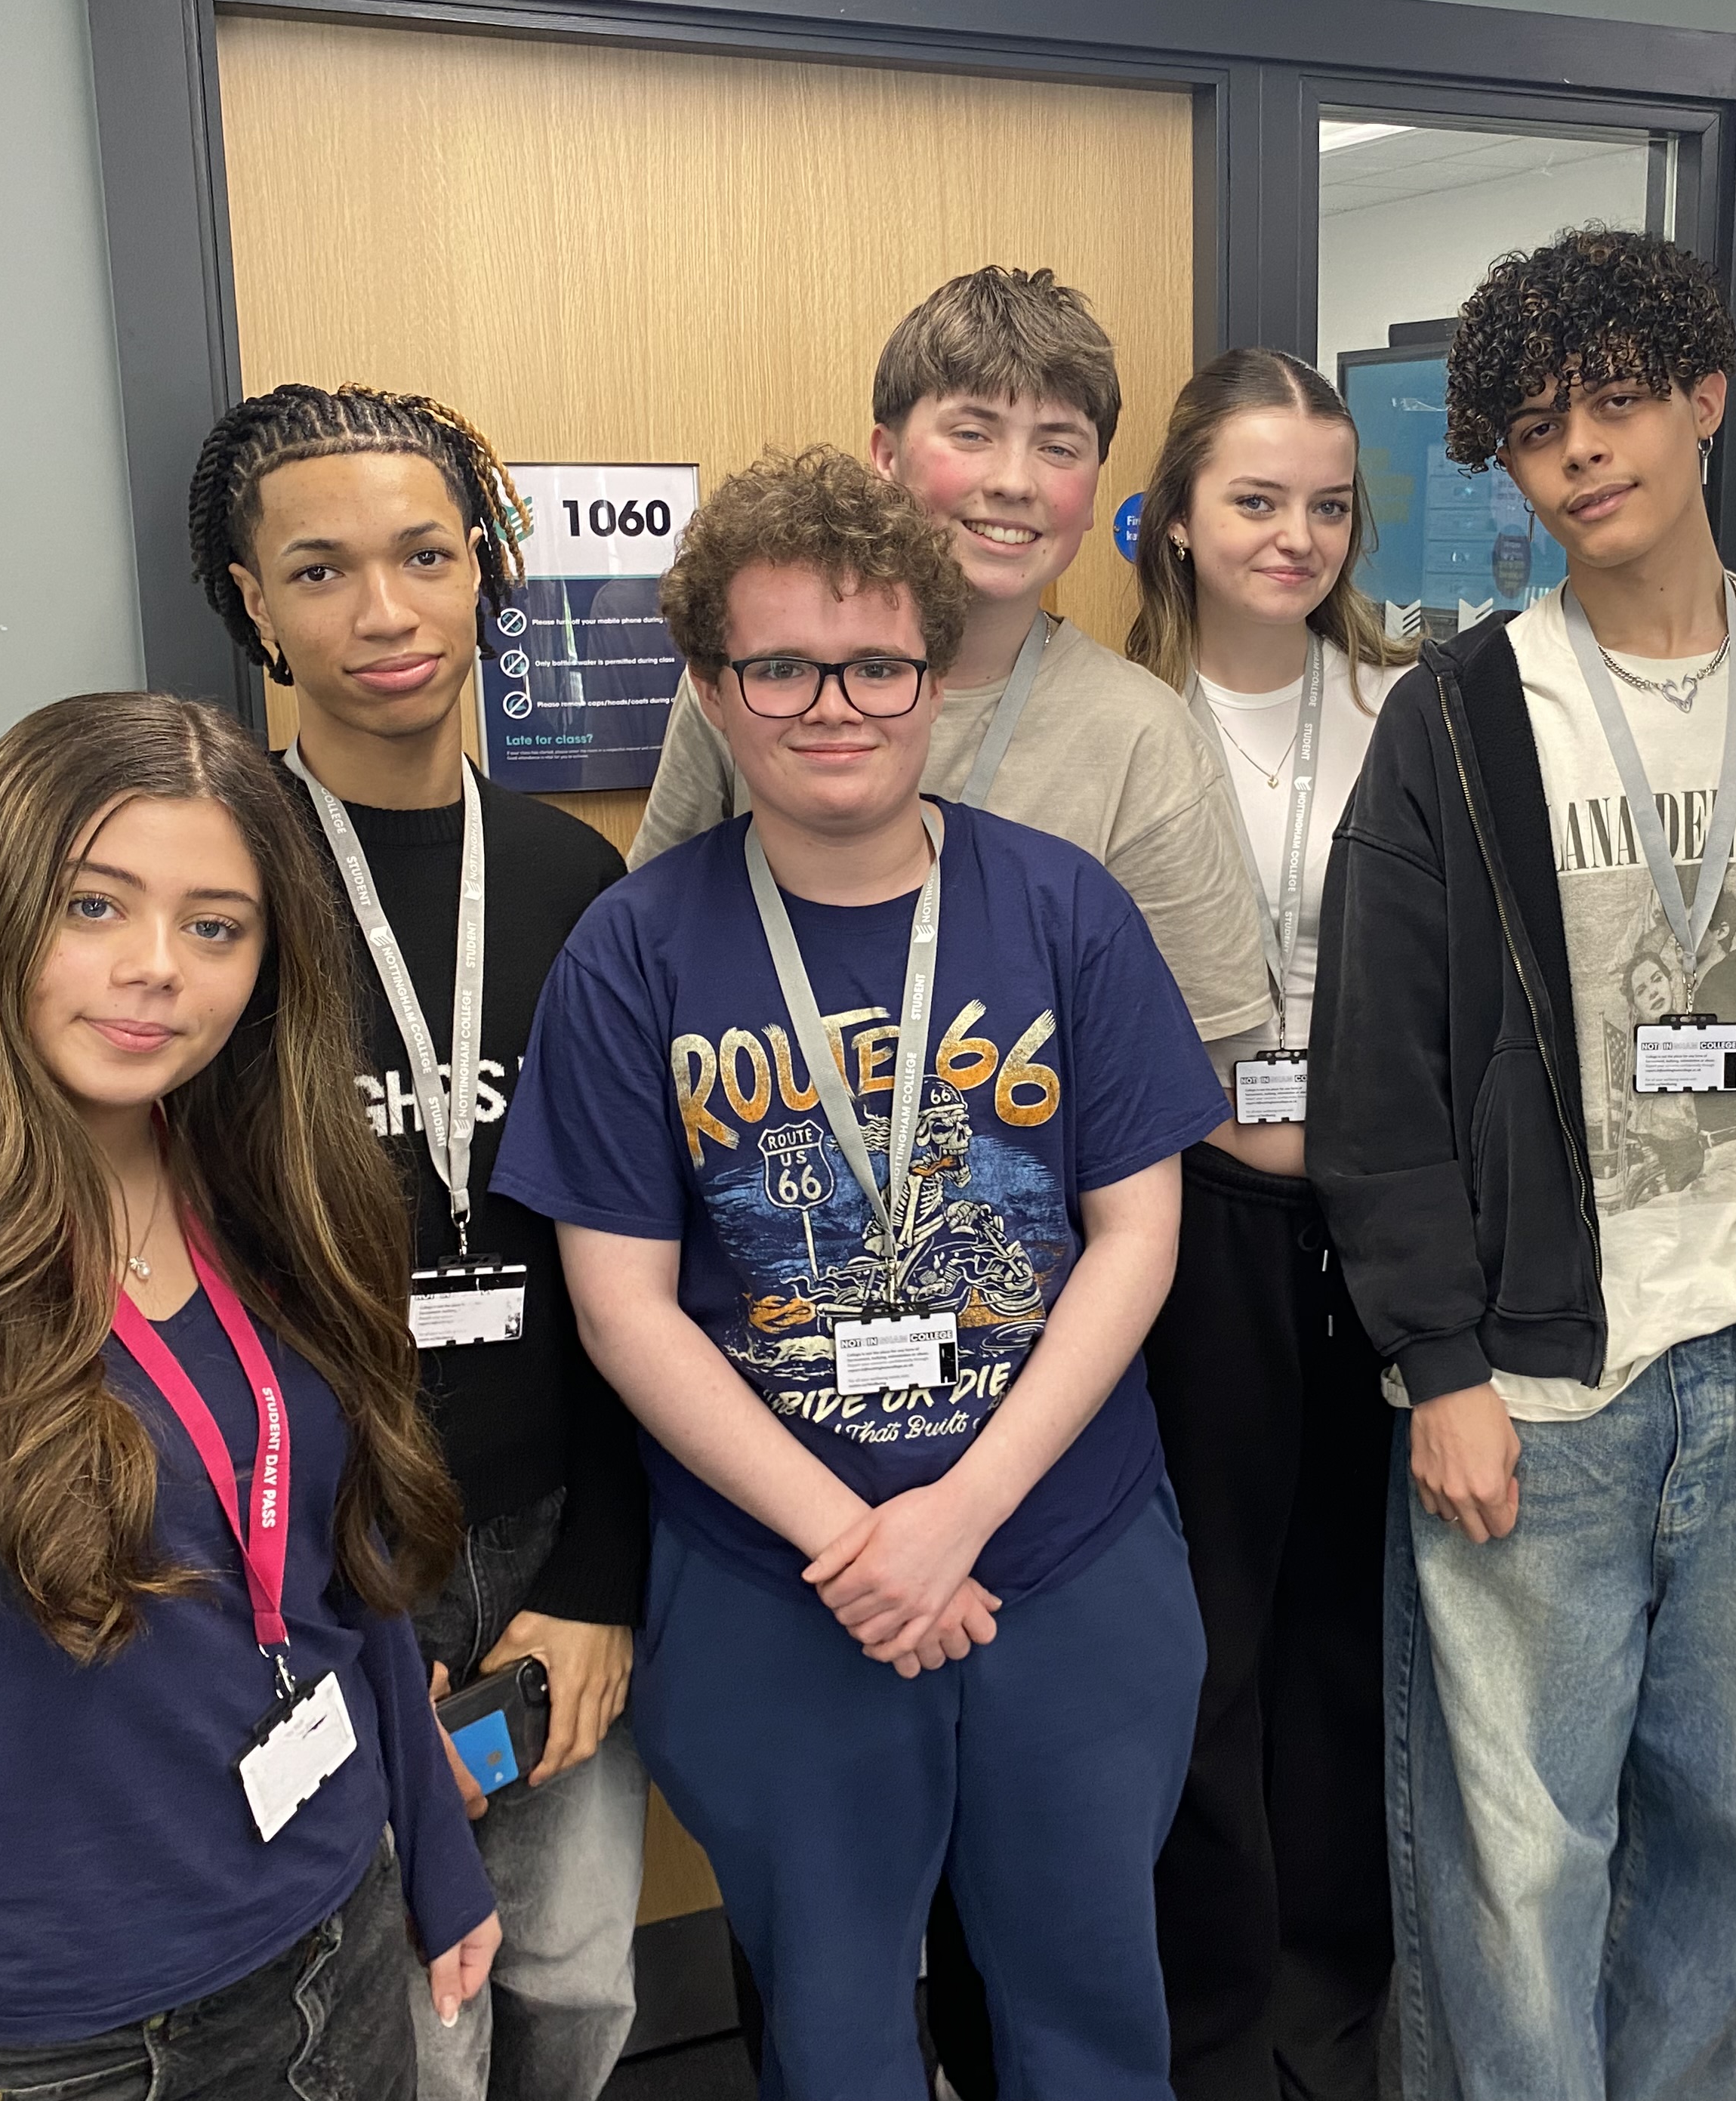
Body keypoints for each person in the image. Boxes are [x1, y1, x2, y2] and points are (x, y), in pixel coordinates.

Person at [497, 445, 1223, 2100]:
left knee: (1093, 2012)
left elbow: (1139, 1234)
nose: (834, 706)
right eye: (781, 666)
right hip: (776, 1582)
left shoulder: (1064, 909)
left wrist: (954, 1517)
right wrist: (854, 1541)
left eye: (877, 664)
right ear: (712, 687)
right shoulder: (635, 949)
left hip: (1066, 1552)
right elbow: (620, 1305)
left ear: (933, 674)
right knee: (830, 2032)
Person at [1312, 227, 1736, 2101]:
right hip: (1537, 1387)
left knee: (1735, 1849)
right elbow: (1379, 1072)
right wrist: (1438, 1362)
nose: (1579, 450)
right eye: (1533, 427)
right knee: (1519, 1868)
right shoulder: (1458, 712)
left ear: (1703, 399)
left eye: (1615, 400)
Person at [0, 692, 498, 2097]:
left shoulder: (265, 1176)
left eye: (216, 926)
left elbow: (336, 1556)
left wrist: (437, 1852)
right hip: (57, 2050)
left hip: (337, 1945)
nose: (155, 967)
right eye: (94, 905)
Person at [190, 381, 651, 2100]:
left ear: (487, 573)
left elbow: (642, 1265)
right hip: (316, 1559)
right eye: (321, 571)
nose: (382, 612)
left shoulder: (573, 882)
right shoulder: (209, 890)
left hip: (548, 1539)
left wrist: (599, 1581)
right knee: (411, 2031)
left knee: (579, 1985)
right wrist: (322, 1603)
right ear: (255, 604)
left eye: (425, 557)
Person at [1122, 347, 1413, 2100]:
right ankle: (1210, 2023)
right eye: (1254, 500)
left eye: (1327, 506)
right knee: (1204, 1639)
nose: (1296, 537)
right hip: (1186, 1220)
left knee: (1350, 1633)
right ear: (1172, 516)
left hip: (1370, 1218)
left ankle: (1336, 2016)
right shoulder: (1115, 714)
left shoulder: (1406, 706)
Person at [630, 263, 1271, 1048]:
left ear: (1096, 488)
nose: (1014, 482)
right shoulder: (761, 687)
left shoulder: (1143, 735)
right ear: (886, 455)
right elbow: (651, 951)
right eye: (972, 434)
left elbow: (1210, 1052)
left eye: (1059, 447)